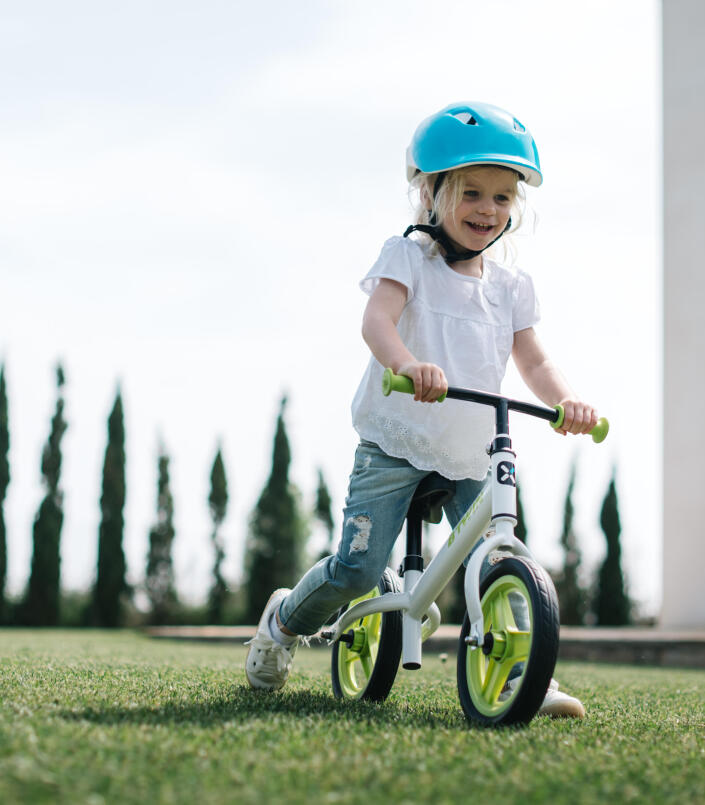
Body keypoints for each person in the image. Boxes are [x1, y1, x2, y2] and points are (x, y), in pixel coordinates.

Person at [245, 101, 600, 719]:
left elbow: (536, 361)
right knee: (358, 571)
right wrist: (406, 364)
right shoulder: (407, 257)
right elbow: (376, 322)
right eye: (471, 192)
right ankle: (282, 622)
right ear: (431, 193)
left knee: (504, 556)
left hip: (469, 450)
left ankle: (526, 674)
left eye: (502, 198)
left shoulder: (512, 288)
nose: (488, 210)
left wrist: (565, 399)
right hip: (397, 438)